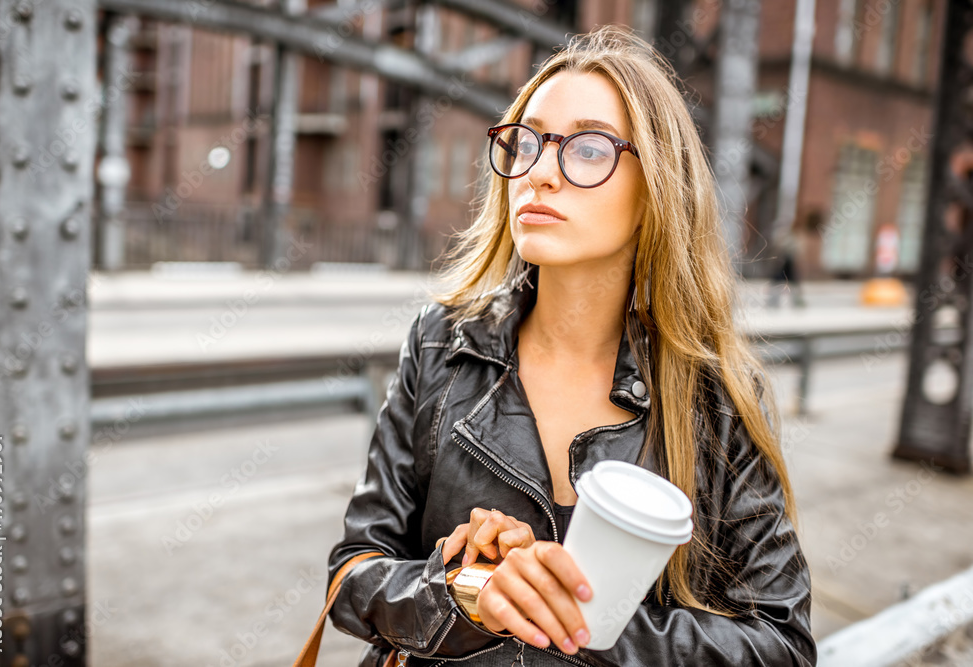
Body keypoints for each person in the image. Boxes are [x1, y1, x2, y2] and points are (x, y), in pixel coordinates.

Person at [326, 25, 816, 666]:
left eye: (586, 149)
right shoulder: (440, 344)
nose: (538, 173)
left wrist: (587, 621)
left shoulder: (712, 393)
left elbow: (780, 644)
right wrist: (469, 594)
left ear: (655, 191)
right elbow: (352, 575)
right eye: (525, 143)